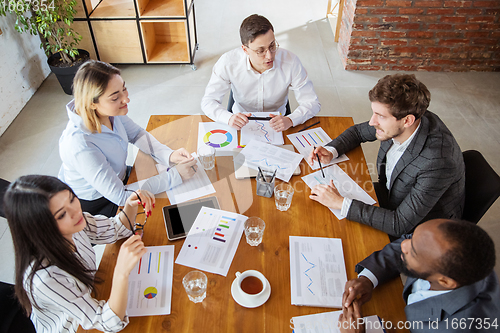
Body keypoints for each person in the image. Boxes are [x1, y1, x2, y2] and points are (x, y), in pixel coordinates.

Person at [308, 74, 465, 237]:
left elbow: (399, 224)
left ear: (407, 121)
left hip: (423, 230)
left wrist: (340, 203)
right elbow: (358, 132)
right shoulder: (406, 116)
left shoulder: (438, 162)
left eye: (380, 116)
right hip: (392, 195)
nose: (371, 122)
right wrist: (331, 150)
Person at [4, 175, 154, 333]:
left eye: (71, 199)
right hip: (75, 328)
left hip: (90, 297)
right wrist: (121, 272)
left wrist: (130, 205)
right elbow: (107, 322)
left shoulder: (74, 224)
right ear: (41, 228)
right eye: (61, 215)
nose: (76, 211)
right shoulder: (44, 278)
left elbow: (114, 229)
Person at [59, 60, 197, 217]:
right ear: (92, 104)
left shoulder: (109, 113)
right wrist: (176, 176)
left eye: (124, 88)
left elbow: (136, 134)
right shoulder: (80, 144)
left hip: (121, 177)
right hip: (101, 202)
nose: (126, 99)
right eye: (115, 97)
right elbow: (121, 196)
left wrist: (169, 155)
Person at [338, 219, 499, 333]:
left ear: (444, 281)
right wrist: (368, 278)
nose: (403, 245)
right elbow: (409, 242)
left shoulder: (455, 327)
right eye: (414, 237)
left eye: (413, 252)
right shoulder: (450, 256)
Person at [201, 14, 320, 132]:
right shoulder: (228, 63)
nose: (269, 55)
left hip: (279, 123)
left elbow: (312, 102)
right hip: (241, 124)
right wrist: (228, 118)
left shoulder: (291, 62)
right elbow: (208, 102)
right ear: (245, 49)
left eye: (272, 45)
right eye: (260, 51)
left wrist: (291, 120)